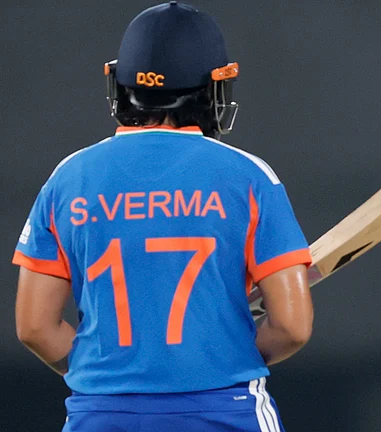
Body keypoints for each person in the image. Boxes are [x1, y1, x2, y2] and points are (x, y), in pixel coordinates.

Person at [13, 2, 313, 431]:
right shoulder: (247, 175)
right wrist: (218, 357)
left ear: (119, 84)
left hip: (101, 415)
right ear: (214, 88)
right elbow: (292, 327)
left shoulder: (69, 178)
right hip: (222, 410)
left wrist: (113, 374)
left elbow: (34, 327)